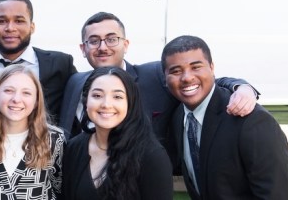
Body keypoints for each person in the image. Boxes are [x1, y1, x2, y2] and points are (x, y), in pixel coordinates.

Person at [58, 12, 260, 174]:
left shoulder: (155, 75)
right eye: (93, 41)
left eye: (112, 39)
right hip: (87, 179)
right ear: (83, 49)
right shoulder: (75, 82)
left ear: (125, 45)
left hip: (145, 180)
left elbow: (204, 81)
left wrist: (241, 87)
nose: (103, 47)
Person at [162, 35, 288, 200]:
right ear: (164, 76)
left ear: (212, 68)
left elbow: (275, 195)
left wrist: (244, 87)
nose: (187, 77)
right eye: (176, 71)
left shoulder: (252, 120)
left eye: (196, 67)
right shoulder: (179, 117)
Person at [62, 67, 172, 199]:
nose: (106, 104)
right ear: (86, 101)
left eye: (117, 97)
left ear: (130, 103)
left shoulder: (152, 156)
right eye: (97, 95)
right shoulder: (73, 148)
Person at [0, 0, 76, 122]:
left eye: (19, 21)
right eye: (2, 21)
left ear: (32, 27)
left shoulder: (60, 64)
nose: (10, 28)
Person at [0, 64, 64, 199]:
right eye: (9, 91)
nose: (16, 99)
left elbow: (60, 189)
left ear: (36, 101)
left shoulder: (53, 140)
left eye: (26, 93)